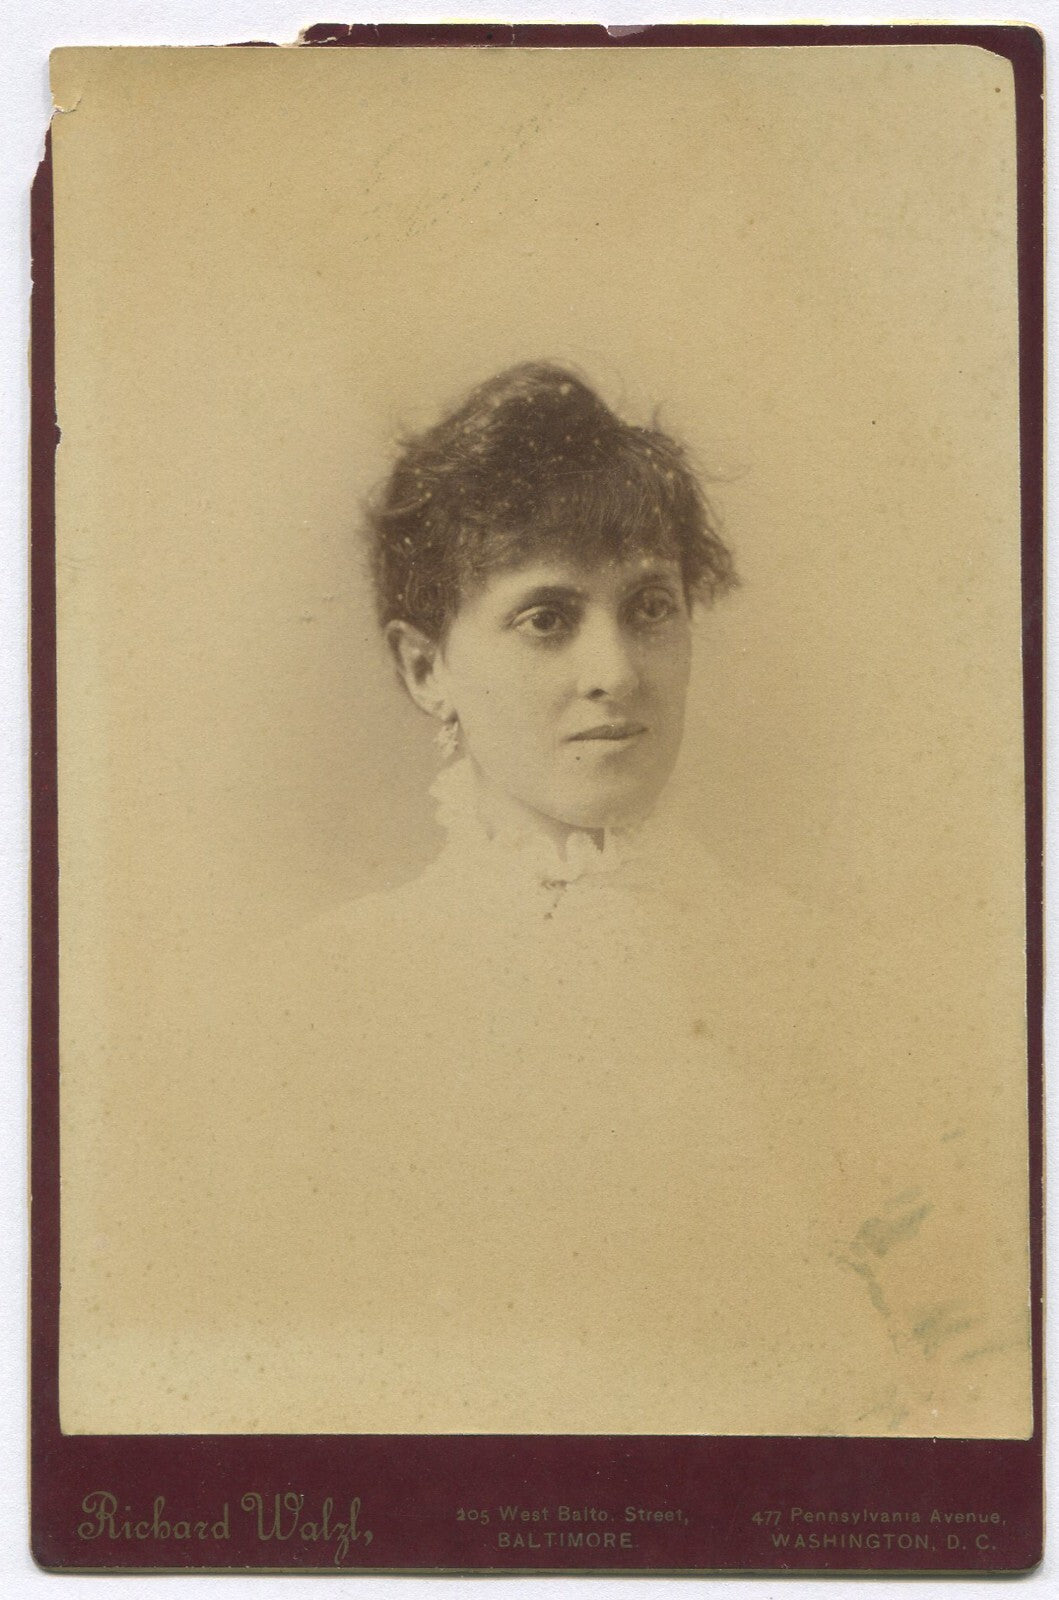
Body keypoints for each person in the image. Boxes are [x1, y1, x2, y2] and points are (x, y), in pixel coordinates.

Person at [74, 364, 1026, 1436]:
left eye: (651, 606)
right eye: (546, 618)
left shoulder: (837, 994)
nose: (615, 668)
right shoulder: (303, 1013)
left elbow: (992, 1377)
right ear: (426, 668)